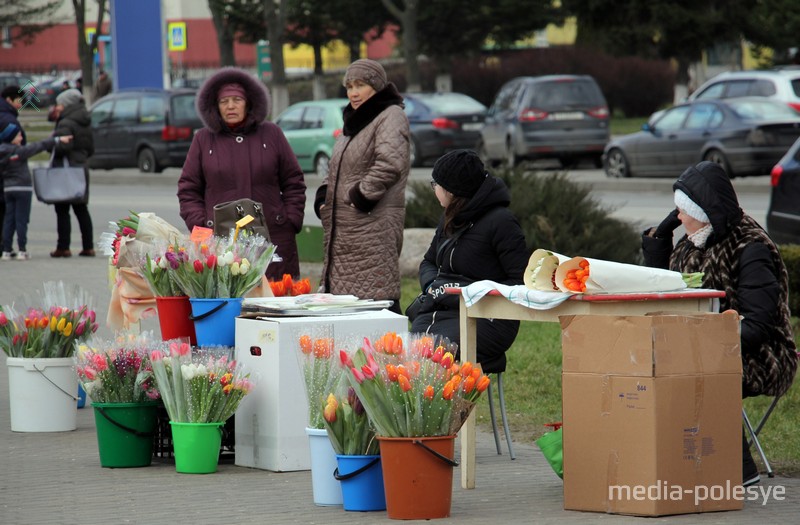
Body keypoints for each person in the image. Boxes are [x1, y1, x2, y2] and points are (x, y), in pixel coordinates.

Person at [642, 160, 798, 487]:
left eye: (682, 210)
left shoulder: (750, 246)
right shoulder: (693, 241)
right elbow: (664, 291)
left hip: (764, 353)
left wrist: (705, 345)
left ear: (702, 211)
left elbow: (758, 325)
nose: (679, 217)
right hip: (704, 344)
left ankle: (740, 471)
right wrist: (660, 240)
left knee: (695, 368)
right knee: (650, 363)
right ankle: (666, 460)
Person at [178, 67, 306, 280]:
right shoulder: (203, 140)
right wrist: (202, 223)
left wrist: (290, 218)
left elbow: (293, 182)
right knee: (230, 305)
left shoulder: (272, 134)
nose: (230, 106)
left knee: (274, 302)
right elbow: (188, 190)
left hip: (273, 237)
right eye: (224, 101)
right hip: (220, 243)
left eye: (237, 100)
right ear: (215, 106)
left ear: (248, 102)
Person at [409, 149, 529, 373]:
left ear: (453, 191)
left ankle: (448, 408)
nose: (434, 188)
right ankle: (419, 408)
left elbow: (520, 283)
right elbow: (428, 262)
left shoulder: (501, 222)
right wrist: (432, 287)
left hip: (488, 318)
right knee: (405, 354)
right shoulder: (450, 218)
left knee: (433, 358)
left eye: (435, 184)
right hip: (440, 311)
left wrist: (467, 291)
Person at [314, 59, 410, 312]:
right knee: (344, 308)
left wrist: (361, 196)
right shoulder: (354, 122)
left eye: (361, 85)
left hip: (372, 228)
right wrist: (324, 195)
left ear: (376, 87)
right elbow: (339, 166)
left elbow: (390, 163)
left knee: (376, 300)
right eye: (349, 86)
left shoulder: (391, 115)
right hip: (344, 233)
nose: (353, 93)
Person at [0, 123, 73, 260]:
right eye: (18, 135)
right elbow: (38, 146)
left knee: (9, 220)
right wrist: (56, 140)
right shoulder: (19, 151)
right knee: (21, 219)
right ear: (11, 138)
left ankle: (6, 250)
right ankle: (22, 250)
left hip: (8, 189)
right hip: (23, 189)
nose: (21, 137)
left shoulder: (2, 152)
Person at [50, 88, 95, 258]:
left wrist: (52, 143)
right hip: (81, 168)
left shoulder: (66, 123)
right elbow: (91, 148)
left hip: (65, 171)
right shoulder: (85, 120)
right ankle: (88, 246)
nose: (58, 107)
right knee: (81, 208)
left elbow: (63, 147)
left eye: (60, 103)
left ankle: (63, 247)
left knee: (62, 209)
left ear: (67, 104)